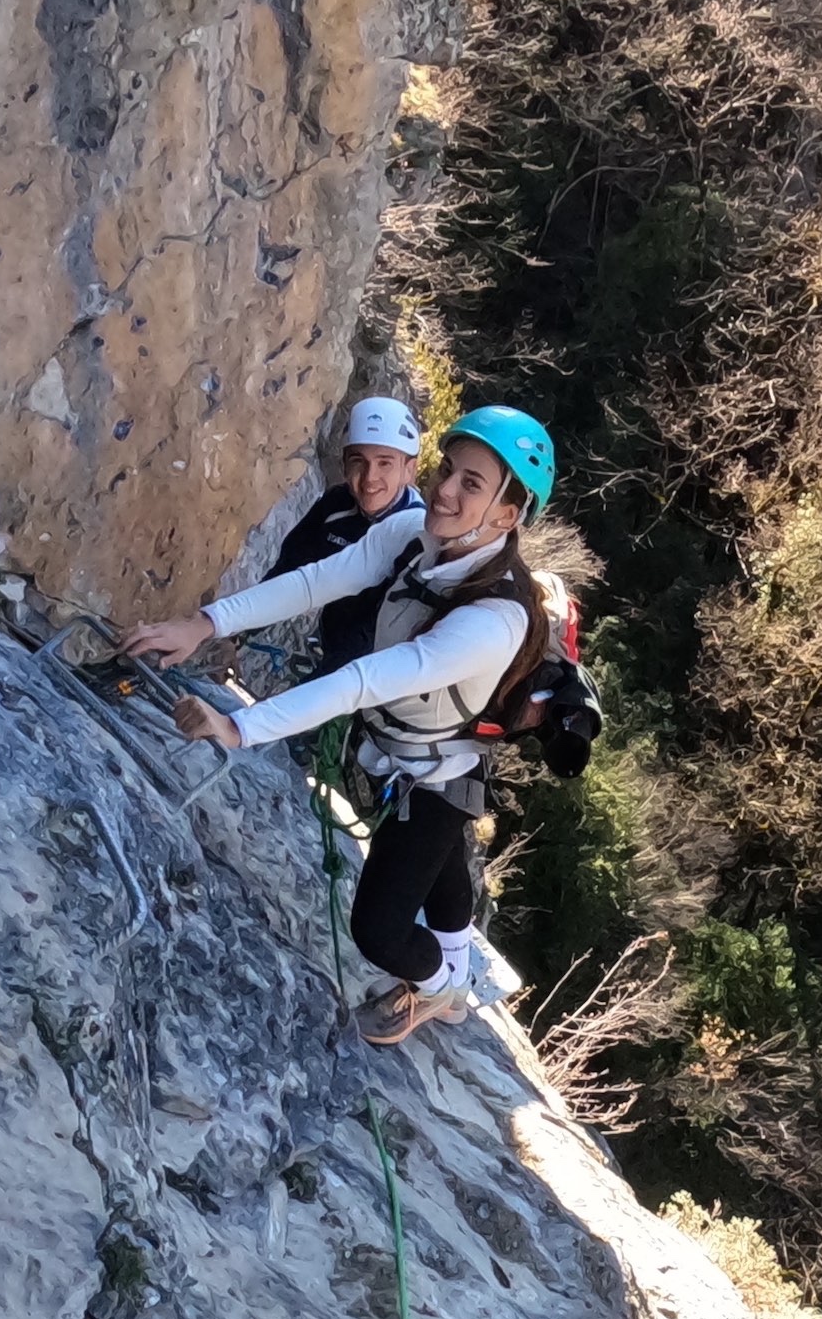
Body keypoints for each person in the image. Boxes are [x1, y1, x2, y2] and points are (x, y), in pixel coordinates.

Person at [125, 406, 557, 1047]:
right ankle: (455, 957)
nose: (444, 489)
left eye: (473, 484)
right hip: (405, 747)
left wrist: (242, 727)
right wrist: (205, 623)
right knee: (442, 871)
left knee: (378, 930)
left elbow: (366, 679)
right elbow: (316, 582)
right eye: (449, 470)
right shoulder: (415, 533)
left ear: (507, 513)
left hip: (437, 771)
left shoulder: (494, 620)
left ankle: (442, 991)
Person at [264, 395, 424, 672]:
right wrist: (235, 633)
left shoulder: (419, 535)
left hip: (379, 667)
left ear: (409, 470)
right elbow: (287, 570)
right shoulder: (336, 506)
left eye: (385, 463)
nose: (370, 477)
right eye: (358, 461)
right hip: (334, 639)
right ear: (344, 464)